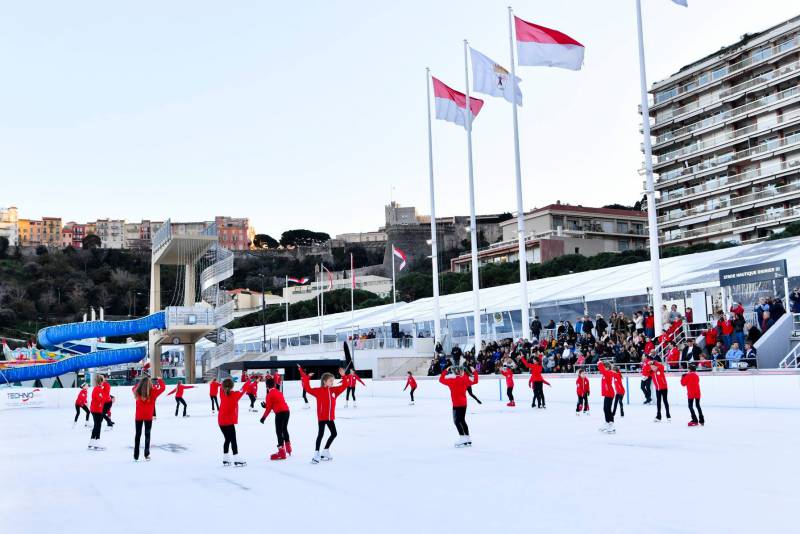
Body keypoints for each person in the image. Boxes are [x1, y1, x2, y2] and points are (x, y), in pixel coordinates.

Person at [299, 365, 349, 464]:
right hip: (322, 417)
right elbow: (307, 388)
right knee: (320, 435)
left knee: (334, 433)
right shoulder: (318, 391)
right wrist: (307, 377)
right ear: (324, 382)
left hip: (330, 417)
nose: (332, 382)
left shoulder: (334, 390)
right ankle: (316, 453)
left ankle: (325, 451)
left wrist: (344, 376)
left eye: (333, 381)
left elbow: (345, 385)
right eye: (330, 381)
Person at [439, 365, 479, 447]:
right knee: (462, 420)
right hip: (464, 403)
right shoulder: (465, 379)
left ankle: (462, 438)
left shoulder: (451, 380)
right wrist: (474, 371)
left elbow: (441, 379)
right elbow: (475, 381)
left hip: (456, 404)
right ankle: (467, 438)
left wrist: (446, 370)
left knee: (457, 421)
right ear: (461, 372)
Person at [132, 375, 165, 461]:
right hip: (148, 416)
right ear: (150, 384)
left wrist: (140, 383)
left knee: (137, 435)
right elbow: (162, 388)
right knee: (147, 435)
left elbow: (134, 387)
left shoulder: (137, 391)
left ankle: (136, 455)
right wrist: (160, 380)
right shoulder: (153, 391)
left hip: (138, 416)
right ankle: (146, 454)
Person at [217, 377, 249, 467]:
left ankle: (225, 458)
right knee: (233, 439)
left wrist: (223, 383)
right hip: (228, 422)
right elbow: (243, 389)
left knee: (227, 439)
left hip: (221, 421)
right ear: (232, 386)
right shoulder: (235, 395)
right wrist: (249, 381)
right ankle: (236, 458)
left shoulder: (222, 393)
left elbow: (221, 386)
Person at [259, 377, 291, 461]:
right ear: (274, 384)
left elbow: (269, 409)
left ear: (267, 386)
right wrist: (266, 405)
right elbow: (276, 403)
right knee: (284, 429)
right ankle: (288, 448)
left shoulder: (269, 394)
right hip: (287, 411)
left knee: (279, 432)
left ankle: (281, 452)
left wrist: (263, 418)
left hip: (280, 413)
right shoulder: (279, 392)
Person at [88, 375, 111, 450]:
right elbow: (99, 399)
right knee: (98, 426)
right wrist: (107, 399)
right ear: (101, 381)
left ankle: (92, 442)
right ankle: (97, 442)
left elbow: (101, 398)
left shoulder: (98, 388)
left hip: (96, 409)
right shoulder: (98, 389)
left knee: (96, 425)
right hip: (96, 409)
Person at [597, 361, 616, 434]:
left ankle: (612, 424)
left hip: (610, 394)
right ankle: (607, 422)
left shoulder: (609, 373)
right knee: (605, 409)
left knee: (608, 409)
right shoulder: (605, 373)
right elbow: (601, 370)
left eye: (604, 367)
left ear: (607, 368)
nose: (601, 369)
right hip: (607, 394)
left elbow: (602, 369)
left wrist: (600, 363)